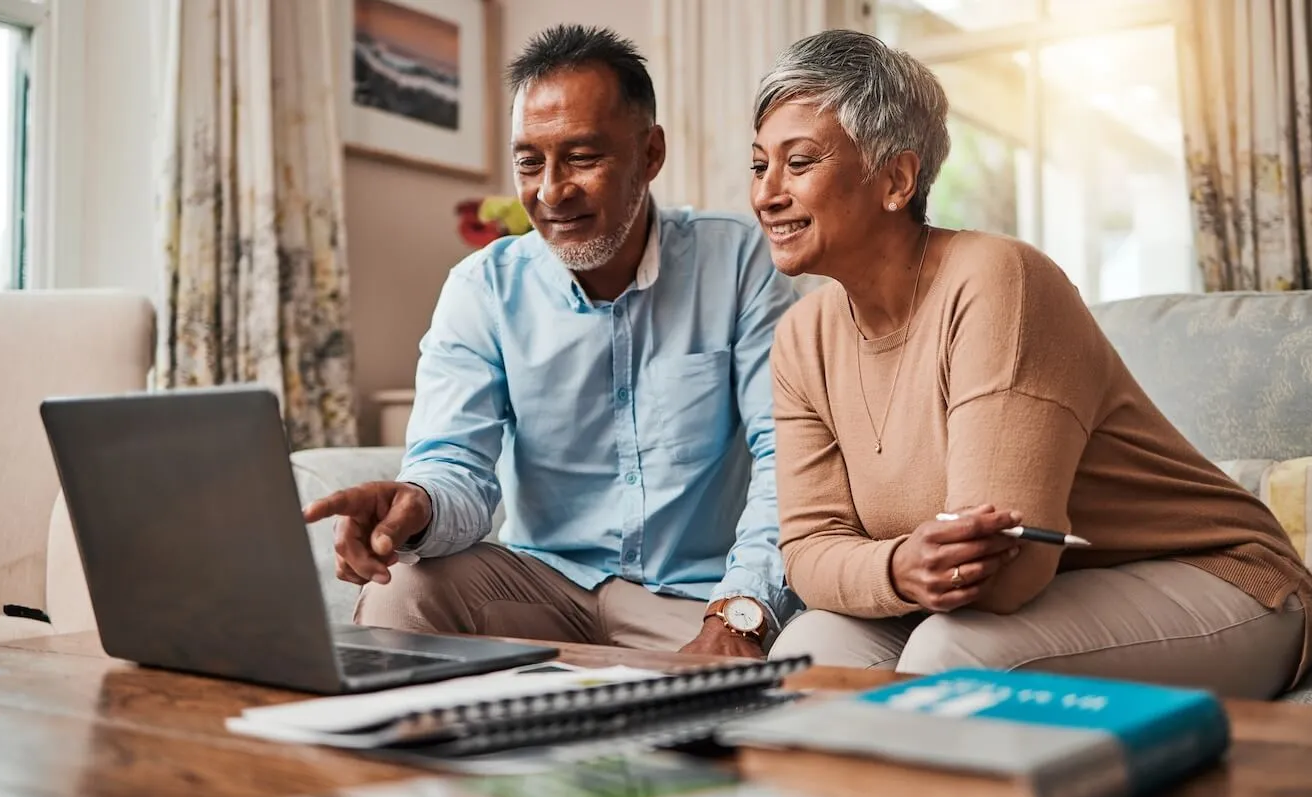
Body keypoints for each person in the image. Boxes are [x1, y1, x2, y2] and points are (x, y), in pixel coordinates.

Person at [753, 29, 1311, 698]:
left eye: (800, 161)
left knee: (950, 655)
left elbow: (1008, 573)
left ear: (897, 179)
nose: (768, 194)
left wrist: (888, 569)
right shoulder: (801, 337)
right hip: (1038, 601)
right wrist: (901, 567)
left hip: (1222, 580)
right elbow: (809, 553)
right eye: (759, 165)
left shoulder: (1000, 282)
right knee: (808, 654)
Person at [304, 25, 800, 657]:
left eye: (584, 157)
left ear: (650, 155)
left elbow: (787, 457)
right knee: (404, 589)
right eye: (529, 161)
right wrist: (416, 503)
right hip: (542, 587)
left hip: (696, 599)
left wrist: (739, 615)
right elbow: (455, 465)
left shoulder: (737, 262)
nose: (551, 191)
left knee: (804, 657)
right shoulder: (482, 288)